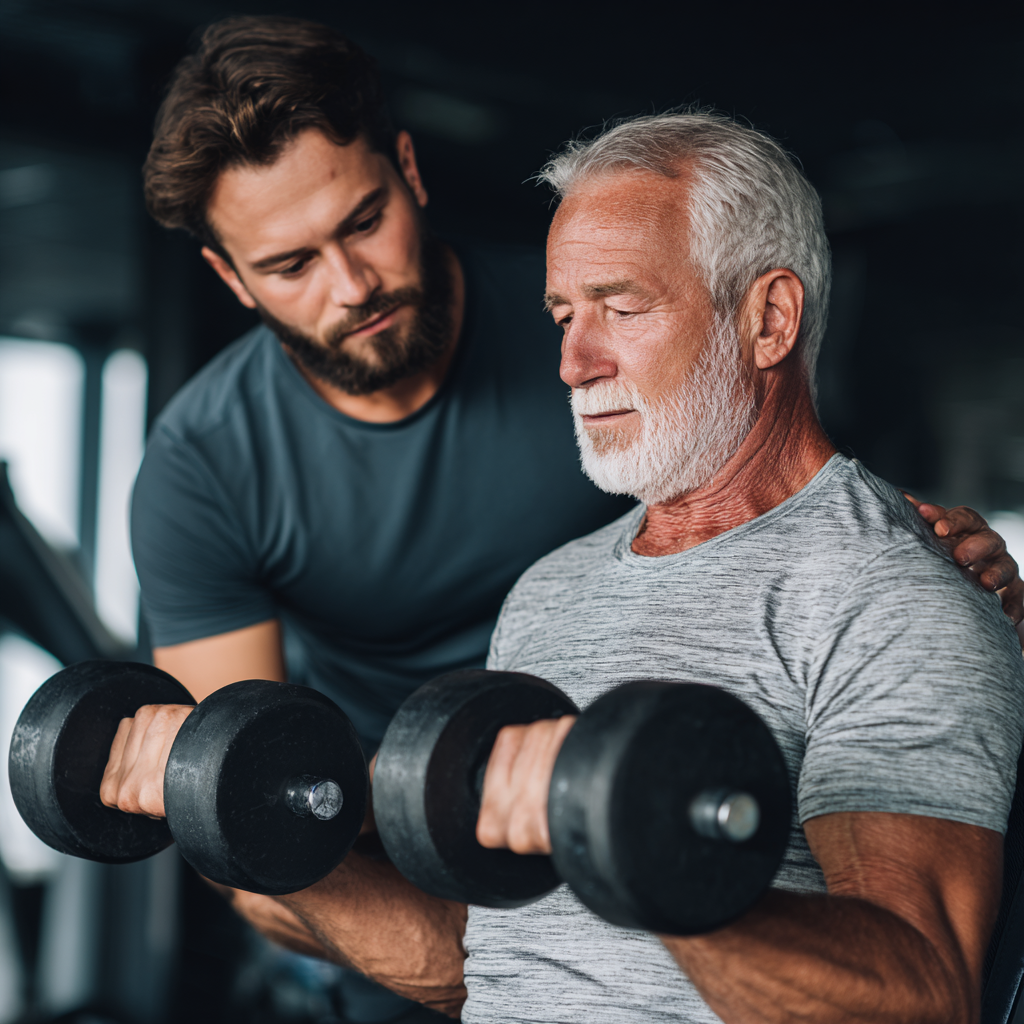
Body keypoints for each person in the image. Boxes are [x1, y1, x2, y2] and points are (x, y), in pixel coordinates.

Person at [106, 17, 1023, 1022]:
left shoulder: (881, 595)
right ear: (232, 279)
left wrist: (930, 577)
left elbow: (773, 478)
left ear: (408, 171)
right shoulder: (219, 474)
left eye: (617, 308)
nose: (573, 363)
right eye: (290, 265)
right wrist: (229, 805)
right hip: (400, 834)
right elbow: (491, 965)